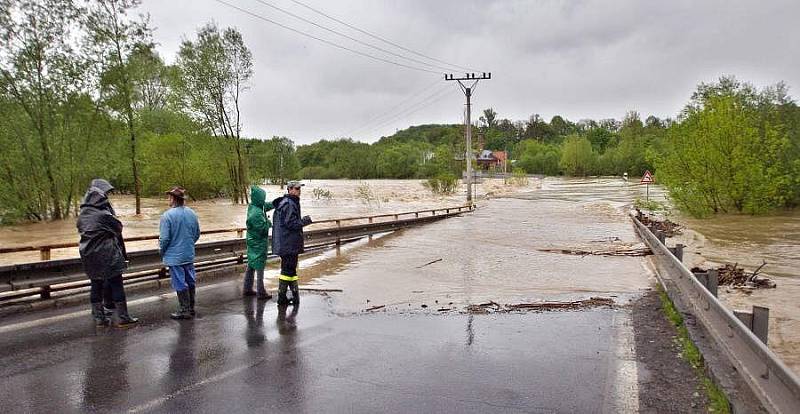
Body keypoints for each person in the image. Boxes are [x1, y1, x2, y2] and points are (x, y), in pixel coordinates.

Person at [77, 179, 139, 327]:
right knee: (117, 284)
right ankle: (123, 318)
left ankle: (99, 318)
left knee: (96, 284)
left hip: (88, 255)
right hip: (108, 254)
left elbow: (82, 230)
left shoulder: (82, 215)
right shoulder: (104, 215)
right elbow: (118, 228)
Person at [159, 186, 200, 320]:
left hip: (174, 256)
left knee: (179, 282)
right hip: (188, 254)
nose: (168, 199)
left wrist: (162, 251)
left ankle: (184, 310)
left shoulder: (167, 216)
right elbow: (197, 233)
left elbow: (164, 239)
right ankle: (191, 308)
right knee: (190, 280)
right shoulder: (192, 213)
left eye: (169, 197)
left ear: (173, 199)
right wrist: (188, 244)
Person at [271, 180, 312, 306]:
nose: (299, 191)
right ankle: (282, 298)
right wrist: (304, 221)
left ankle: (294, 296)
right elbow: (291, 224)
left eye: (300, 188)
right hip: (288, 244)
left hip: (287, 243)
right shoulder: (289, 204)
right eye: (296, 188)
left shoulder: (288, 202)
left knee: (290, 271)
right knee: (287, 271)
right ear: (289, 189)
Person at [243, 185, 275, 299]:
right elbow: (263, 229)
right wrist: (269, 223)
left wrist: (274, 203)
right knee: (260, 265)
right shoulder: (256, 214)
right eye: (263, 197)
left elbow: (264, 206)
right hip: (258, 242)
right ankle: (261, 292)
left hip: (252, 240)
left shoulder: (254, 206)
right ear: (259, 198)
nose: (263, 199)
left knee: (251, 264)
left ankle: (247, 288)